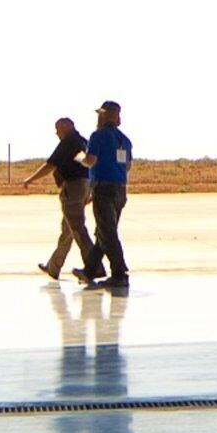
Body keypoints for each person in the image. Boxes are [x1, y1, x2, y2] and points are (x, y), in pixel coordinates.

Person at [26, 117, 99, 281]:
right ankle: (53, 267)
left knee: (77, 228)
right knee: (68, 229)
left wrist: (30, 179)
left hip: (73, 188)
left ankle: (95, 266)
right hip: (84, 186)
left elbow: (50, 165)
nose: (56, 133)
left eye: (58, 129)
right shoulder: (83, 141)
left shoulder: (69, 142)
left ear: (66, 127)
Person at [84, 101, 134, 292]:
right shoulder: (125, 139)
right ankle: (90, 269)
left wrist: (80, 158)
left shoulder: (98, 136)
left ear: (103, 116)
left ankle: (119, 273)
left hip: (104, 189)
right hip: (120, 190)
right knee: (105, 231)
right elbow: (128, 166)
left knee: (108, 233)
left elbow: (90, 160)